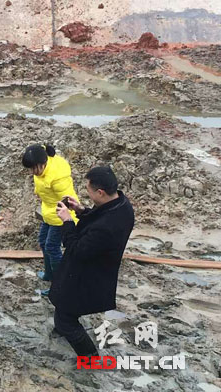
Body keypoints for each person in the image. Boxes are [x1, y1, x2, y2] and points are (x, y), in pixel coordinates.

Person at [49, 166, 135, 357]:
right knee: (64, 307)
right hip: (95, 266)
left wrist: (67, 221)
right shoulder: (121, 204)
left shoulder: (108, 226)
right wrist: (81, 211)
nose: (86, 193)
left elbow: (77, 249)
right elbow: (98, 218)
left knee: (65, 318)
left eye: (88, 189)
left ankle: (90, 358)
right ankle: (64, 331)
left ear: (100, 192)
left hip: (89, 275)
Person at [22, 144, 79, 296]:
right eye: (30, 169)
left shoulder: (58, 177)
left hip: (60, 216)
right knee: (42, 242)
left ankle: (60, 284)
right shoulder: (41, 169)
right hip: (48, 212)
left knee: (52, 247)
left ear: (43, 163)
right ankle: (49, 274)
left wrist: (66, 219)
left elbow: (68, 200)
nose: (32, 172)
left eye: (34, 168)